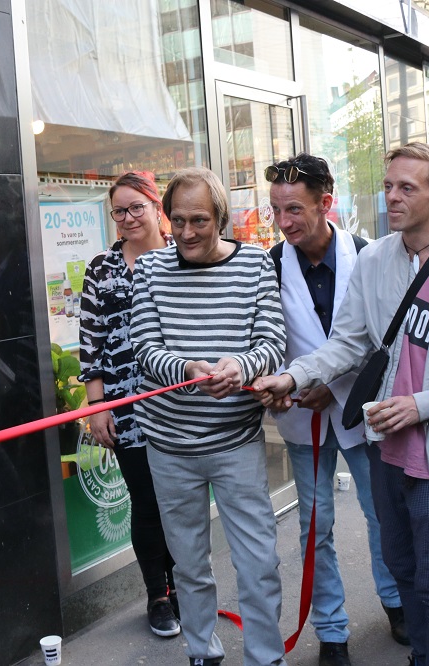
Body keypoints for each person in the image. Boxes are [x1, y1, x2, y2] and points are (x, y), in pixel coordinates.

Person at [254, 142, 429, 666]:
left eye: (406, 188)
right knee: (403, 569)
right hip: (385, 448)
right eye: (389, 185)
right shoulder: (373, 260)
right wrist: (291, 375)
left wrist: (422, 405)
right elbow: (347, 343)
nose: (391, 196)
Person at [131, 167, 287, 666]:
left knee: (258, 562)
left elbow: (273, 342)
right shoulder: (151, 270)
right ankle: (203, 651)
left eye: (199, 219)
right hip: (168, 446)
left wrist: (242, 366)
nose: (187, 232)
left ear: (220, 217)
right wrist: (188, 369)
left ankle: (266, 657)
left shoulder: (256, 265)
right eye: (177, 220)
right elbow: (143, 348)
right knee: (190, 565)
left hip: (235, 443)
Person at [265, 154, 405, 666]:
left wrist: (333, 380)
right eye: (276, 211)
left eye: (295, 209)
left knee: (381, 514)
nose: (284, 223)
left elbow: (385, 338)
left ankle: (394, 602)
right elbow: (268, 337)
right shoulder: (271, 265)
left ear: (327, 202)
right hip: (304, 414)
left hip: (364, 409)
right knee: (313, 526)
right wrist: (290, 382)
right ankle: (331, 630)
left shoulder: (369, 255)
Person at [78, 171, 179, 638]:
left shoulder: (184, 256)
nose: (128, 217)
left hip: (182, 404)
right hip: (127, 407)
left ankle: (185, 586)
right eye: (119, 210)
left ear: (157, 207)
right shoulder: (102, 268)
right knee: (147, 500)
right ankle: (157, 594)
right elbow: (91, 342)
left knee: (181, 499)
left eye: (136, 206)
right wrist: (96, 406)